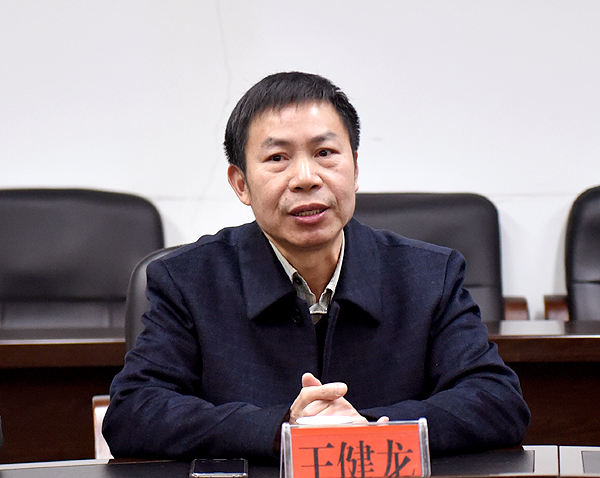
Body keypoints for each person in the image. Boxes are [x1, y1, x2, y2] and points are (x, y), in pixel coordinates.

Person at [103, 71, 530, 461]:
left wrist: (365, 430)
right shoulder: (188, 280)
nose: (306, 177)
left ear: (355, 168)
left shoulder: (430, 275)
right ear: (240, 183)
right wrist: (282, 430)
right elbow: (134, 412)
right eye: (277, 158)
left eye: (325, 152)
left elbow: (497, 401)